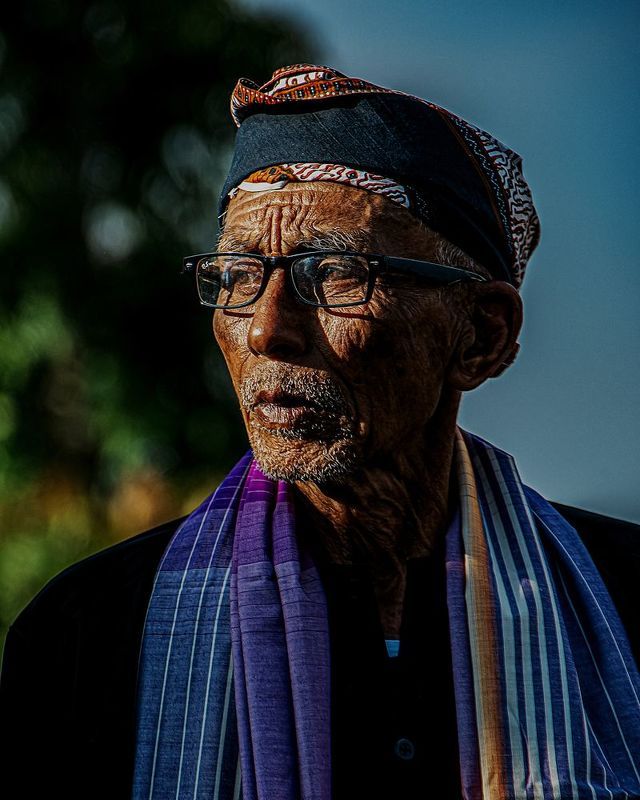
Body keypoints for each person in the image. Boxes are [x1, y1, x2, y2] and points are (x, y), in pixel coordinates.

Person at [1, 64, 639, 800]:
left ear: (481, 336)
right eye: (239, 274)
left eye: (334, 272)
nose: (266, 328)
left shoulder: (624, 599)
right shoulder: (90, 633)